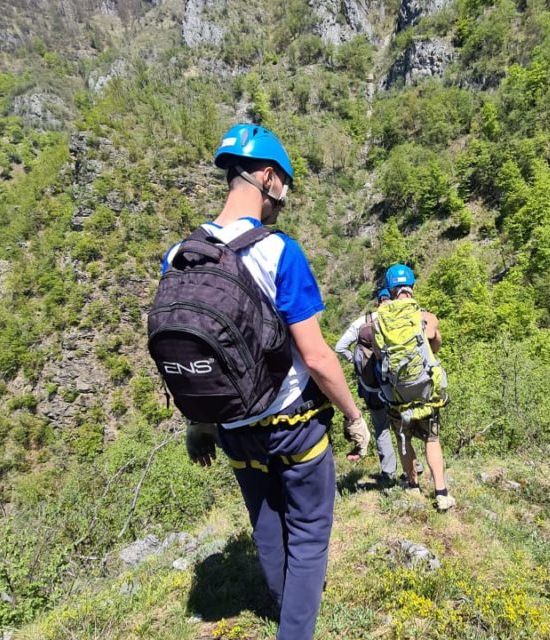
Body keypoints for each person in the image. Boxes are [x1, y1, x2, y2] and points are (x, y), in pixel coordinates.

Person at [164, 124, 369, 640]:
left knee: (265, 524)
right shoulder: (279, 251)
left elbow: (189, 349)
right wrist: (353, 416)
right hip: (292, 425)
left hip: (232, 427)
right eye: (284, 186)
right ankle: (295, 628)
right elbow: (318, 357)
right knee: (307, 535)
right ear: (268, 178)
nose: (284, 199)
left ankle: (284, 610)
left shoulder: (179, 255)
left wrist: (200, 424)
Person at [378, 264, 455, 512]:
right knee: (431, 439)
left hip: (398, 393)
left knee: (404, 439)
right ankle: (441, 493)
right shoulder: (426, 317)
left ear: (390, 290)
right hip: (425, 392)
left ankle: (413, 487)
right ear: (411, 287)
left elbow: (380, 353)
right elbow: (435, 346)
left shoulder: (380, 319)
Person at [334, 288, 398, 479]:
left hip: (371, 388)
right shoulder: (398, 319)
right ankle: (414, 469)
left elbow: (340, 347)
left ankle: (388, 473)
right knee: (402, 425)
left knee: (381, 428)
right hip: (395, 385)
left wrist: (355, 362)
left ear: (378, 301)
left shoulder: (363, 322)